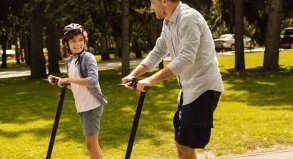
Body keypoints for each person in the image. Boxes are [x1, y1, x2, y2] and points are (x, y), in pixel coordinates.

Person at [121, 0, 224, 158]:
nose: (151, 7)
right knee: (180, 143)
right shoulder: (168, 22)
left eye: (152, 2)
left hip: (203, 88)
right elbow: (159, 51)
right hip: (188, 89)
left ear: (164, 1)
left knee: (185, 144)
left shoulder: (189, 19)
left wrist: (151, 80)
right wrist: (133, 75)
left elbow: (186, 58)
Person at [49, 23, 108, 159]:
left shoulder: (88, 58)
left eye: (80, 40)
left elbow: (92, 81)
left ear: (85, 41)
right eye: (73, 41)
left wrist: (69, 79)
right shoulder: (69, 62)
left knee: (90, 144)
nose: (78, 44)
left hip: (92, 105)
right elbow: (77, 85)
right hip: (82, 106)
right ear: (66, 44)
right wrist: (62, 83)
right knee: (93, 144)